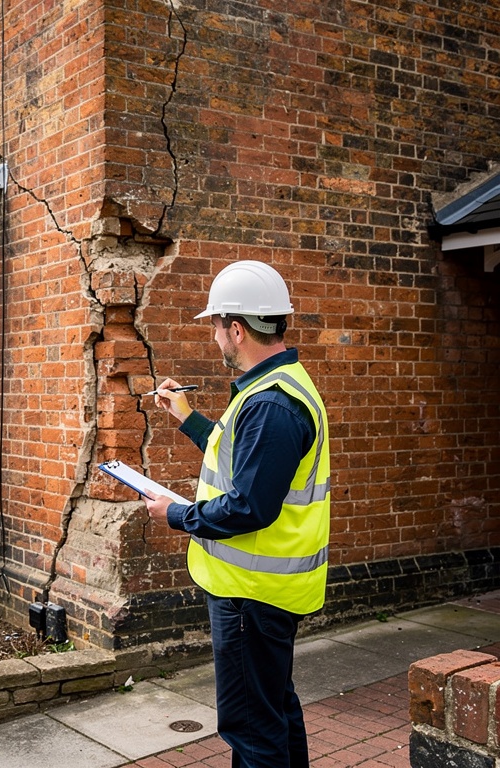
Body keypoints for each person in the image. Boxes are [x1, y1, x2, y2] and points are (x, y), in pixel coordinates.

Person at [144, 260, 330, 768]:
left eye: (215, 326)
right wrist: (187, 419)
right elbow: (241, 459)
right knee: (275, 712)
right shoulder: (274, 387)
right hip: (263, 594)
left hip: (252, 596)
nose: (214, 337)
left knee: (251, 730)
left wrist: (177, 514)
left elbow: (250, 505)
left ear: (238, 328)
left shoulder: (270, 404)